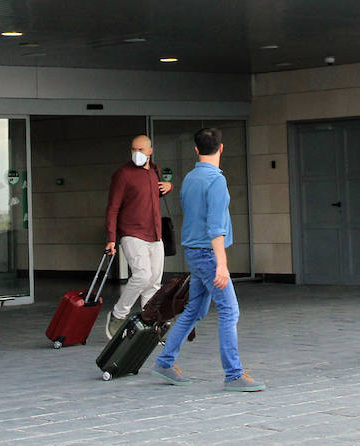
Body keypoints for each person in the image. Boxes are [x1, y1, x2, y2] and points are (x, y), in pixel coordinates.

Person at [151, 128, 263, 392]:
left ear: (196, 149)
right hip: (208, 254)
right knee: (229, 310)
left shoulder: (190, 178)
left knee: (196, 309)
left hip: (193, 250)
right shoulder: (216, 181)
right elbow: (215, 227)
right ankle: (234, 374)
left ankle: (165, 362)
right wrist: (222, 264)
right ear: (221, 148)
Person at [103, 134, 173, 338]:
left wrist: (169, 187)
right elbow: (113, 208)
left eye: (141, 150)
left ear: (150, 151)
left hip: (155, 233)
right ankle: (118, 314)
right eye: (133, 149)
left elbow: (151, 194)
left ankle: (150, 322)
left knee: (153, 282)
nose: (137, 154)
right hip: (132, 233)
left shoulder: (155, 171)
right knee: (142, 276)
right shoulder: (123, 174)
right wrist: (111, 238)